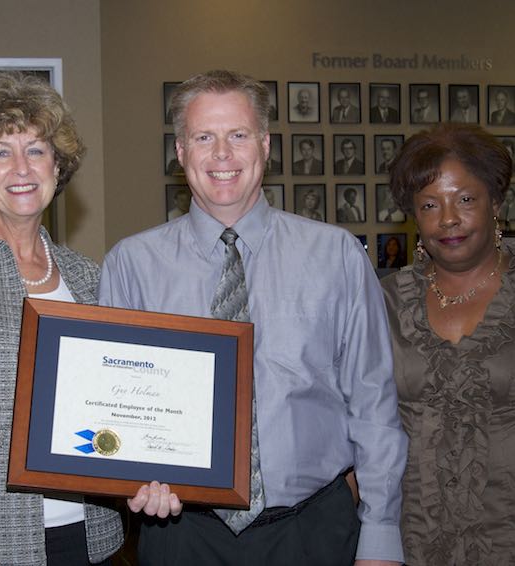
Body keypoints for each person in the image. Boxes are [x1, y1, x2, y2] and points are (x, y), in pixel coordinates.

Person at [100, 70, 407, 566]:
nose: (223, 154)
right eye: (205, 137)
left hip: (315, 531)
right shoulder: (130, 266)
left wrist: (381, 534)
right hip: (181, 533)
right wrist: (129, 478)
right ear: (181, 153)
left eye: (238, 135)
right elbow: (113, 408)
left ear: (264, 145)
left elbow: (373, 403)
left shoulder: (337, 255)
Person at [0, 73, 123, 565]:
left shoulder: (93, 280)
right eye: (1, 151)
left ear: (58, 166)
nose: (21, 167)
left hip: (90, 534)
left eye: (37, 150)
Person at [382, 123, 515, 565]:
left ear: (495, 202)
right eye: (429, 205)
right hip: (411, 539)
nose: (448, 220)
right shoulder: (384, 302)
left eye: (464, 199)